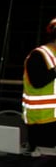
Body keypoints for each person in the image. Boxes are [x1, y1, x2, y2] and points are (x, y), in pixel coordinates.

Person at [22, 17, 56, 150]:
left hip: (52, 120)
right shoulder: (39, 55)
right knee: (41, 165)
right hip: (42, 122)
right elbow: (37, 82)